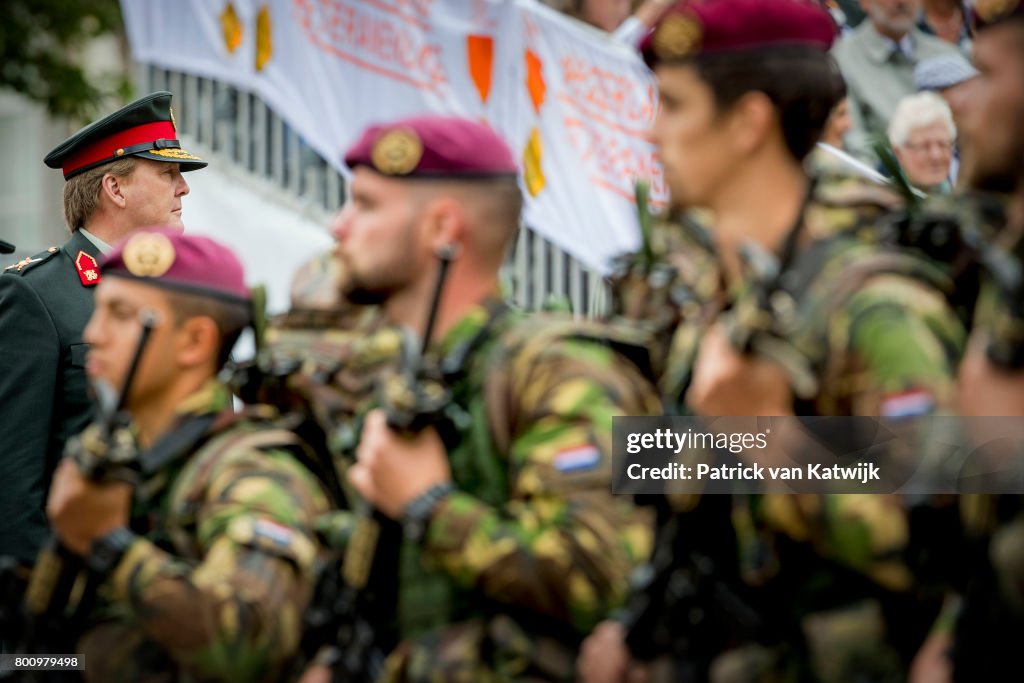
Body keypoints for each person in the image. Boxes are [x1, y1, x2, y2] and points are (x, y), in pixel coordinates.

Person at [579, 0, 965, 680]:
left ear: (749, 124)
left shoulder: (874, 305)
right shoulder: (725, 295)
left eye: (673, 106)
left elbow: (942, 536)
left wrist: (769, 437)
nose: (649, 133)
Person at [301, 115, 660, 682]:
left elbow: (603, 572)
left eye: (366, 205)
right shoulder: (410, 376)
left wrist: (430, 506)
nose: (339, 227)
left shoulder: (556, 369)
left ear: (442, 227)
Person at [45, 228, 328, 682]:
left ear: (195, 342)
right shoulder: (117, 457)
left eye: (120, 315)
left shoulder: (252, 471)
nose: (93, 334)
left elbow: (249, 645)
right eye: (98, 312)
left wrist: (109, 546)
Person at [0, 91, 206, 565]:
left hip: (175, 588)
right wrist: (41, 617)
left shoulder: (184, 294)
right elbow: (13, 480)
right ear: (115, 188)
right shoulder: (35, 295)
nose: (184, 189)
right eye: (168, 174)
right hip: (80, 597)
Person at [832, 0, 959, 162]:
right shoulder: (843, 59)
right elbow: (854, 144)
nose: (901, 2)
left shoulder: (949, 57)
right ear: (865, 2)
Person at [888, 91, 957, 192]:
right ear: (898, 153)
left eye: (943, 145)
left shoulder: (965, 202)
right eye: (924, 146)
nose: (936, 155)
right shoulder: (880, 202)